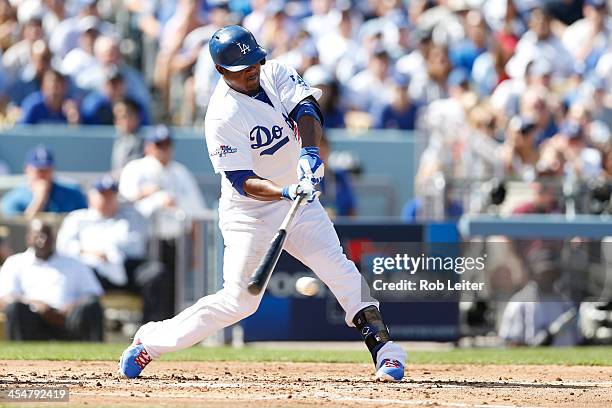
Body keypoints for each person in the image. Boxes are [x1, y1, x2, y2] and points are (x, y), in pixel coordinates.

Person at [118, 25, 406, 382]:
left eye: (254, 61)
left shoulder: (275, 72)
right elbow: (241, 181)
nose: (252, 69)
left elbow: (307, 107)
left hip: (300, 200)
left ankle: (386, 351)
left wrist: (311, 152)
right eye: (242, 67)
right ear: (222, 72)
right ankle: (151, 341)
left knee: (341, 270)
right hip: (249, 211)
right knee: (240, 301)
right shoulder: (221, 116)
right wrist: (284, 192)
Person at [56, 176, 173, 322]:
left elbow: (136, 244)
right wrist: (90, 252)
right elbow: (64, 249)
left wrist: (112, 253)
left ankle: (151, 332)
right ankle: (84, 330)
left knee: (156, 273)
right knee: (80, 276)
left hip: (125, 267)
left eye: (111, 195)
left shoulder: (131, 216)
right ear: (91, 196)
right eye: (102, 195)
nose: (107, 199)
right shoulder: (77, 219)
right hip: (92, 269)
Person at [0, 219, 104, 341]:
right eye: (37, 235)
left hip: (68, 319)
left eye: (46, 235)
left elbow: (93, 294)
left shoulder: (74, 262)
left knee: (92, 306)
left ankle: (93, 357)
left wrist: (69, 308)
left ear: (53, 237)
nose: (42, 240)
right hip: (33, 318)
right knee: (15, 308)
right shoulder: (15, 262)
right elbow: (5, 297)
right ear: (28, 238)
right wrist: (35, 305)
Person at [118, 124, 207, 220]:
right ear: (147, 147)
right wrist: (146, 195)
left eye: (167, 144)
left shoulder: (181, 172)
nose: (164, 149)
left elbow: (198, 208)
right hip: (142, 230)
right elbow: (123, 204)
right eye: (159, 145)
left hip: (177, 231)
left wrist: (175, 202)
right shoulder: (134, 168)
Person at [1, 145, 87, 218]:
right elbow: (18, 230)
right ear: (27, 169)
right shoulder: (14, 198)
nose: (43, 175)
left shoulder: (72, 193)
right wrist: (39, 199)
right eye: (38, 170)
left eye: (46, 170)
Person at [110, 98, 144, 172]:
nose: (118, 121)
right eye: (116, 117)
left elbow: (133, 171)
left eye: (124, 116)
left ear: (136, 117)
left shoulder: (137, 142)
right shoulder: (119, 139)